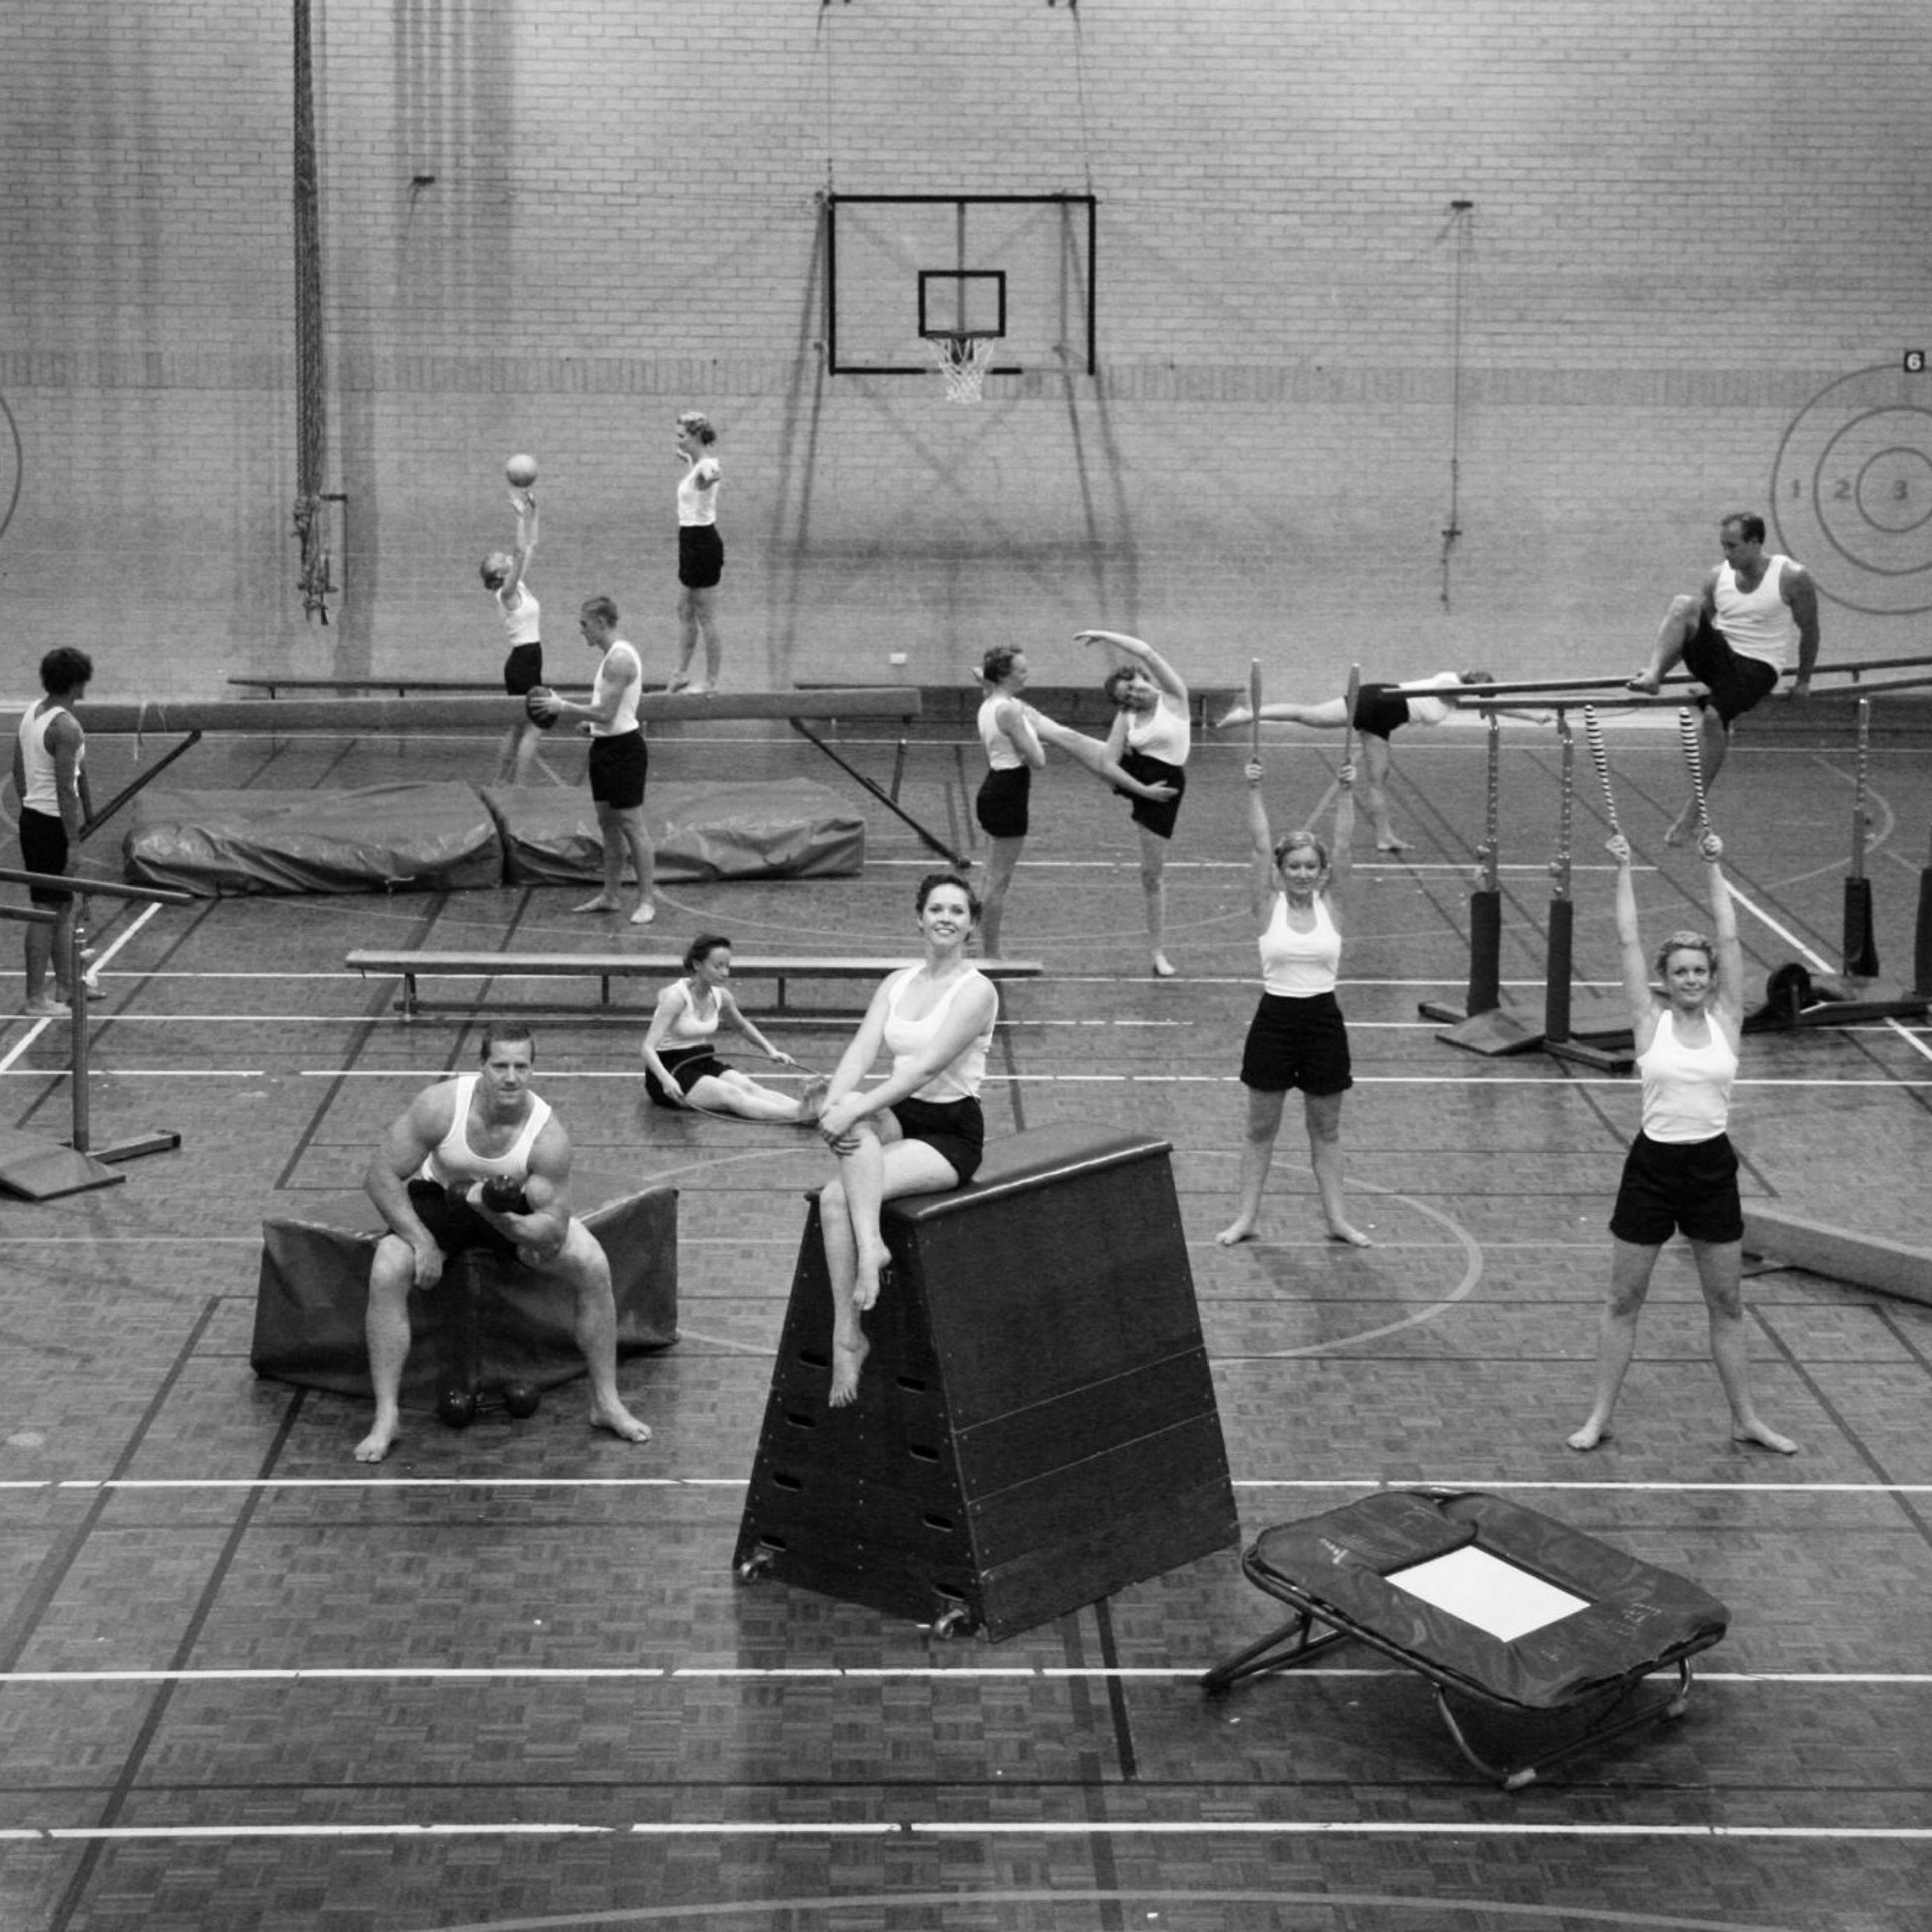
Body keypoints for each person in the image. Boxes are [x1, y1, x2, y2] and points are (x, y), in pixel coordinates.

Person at [1566, 831, 1797, 1455]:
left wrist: (1714, 867)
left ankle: (1746, 1419)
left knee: (1726, 1300)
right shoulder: (1650, 1023)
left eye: (1700, 971)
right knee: (1624, 1298)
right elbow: (1627, 941)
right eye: (1680, 971)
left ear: (1712, 979)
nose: (1692, 978)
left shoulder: (1729, 1022)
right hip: (1653, 1167)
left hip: (1712, 1168)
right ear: (1665, 981)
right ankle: (1600, 1416)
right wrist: (1623, 869)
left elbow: (1731, 936)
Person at [354, 1022, 654, 1463]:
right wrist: (422, 1242)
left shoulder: (547, 1137)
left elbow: (553, 1231)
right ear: (481, 1066)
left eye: (521, 1067)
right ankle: (387, 1417)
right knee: (386, 1269)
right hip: (443, 1200)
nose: (511, 1077)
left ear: (532, 1070)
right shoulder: (441, 1106)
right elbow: (380, 1176)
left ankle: (605, 1403)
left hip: (509, 1212)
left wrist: (498, 1216)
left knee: (593, 1265)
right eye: (500, 1066)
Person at [815, 872, 998, 1407]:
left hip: (950, 1130)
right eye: (937, 909)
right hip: (899, 1115)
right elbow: (861, 1051)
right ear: (919, 918)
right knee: (851, 1121)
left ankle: (852, 1321)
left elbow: (923, 1070)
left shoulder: (976, 991)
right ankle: (852, 1324)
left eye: (957, 912)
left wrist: (854, 1108)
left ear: (971, 925)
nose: (946, 919)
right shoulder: (897, 982)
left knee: (835, 1199)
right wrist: (833, 1104)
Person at [1215, 755, 1371, 1248]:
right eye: (1294, 867)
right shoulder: (1268, 906)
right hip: (1275, 1023)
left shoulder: (1333, 906)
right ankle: (1245, 1218)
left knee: (1326, 1129)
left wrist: (1348, 793)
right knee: (1260, 1128)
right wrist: (1254, 789)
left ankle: (1338, 1220)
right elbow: (1260, 846)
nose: (1303, 874)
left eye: (1311, 867)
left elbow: (1344, 845)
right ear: (1281, 872)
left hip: (1323, 1022)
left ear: (1322, 872)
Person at [1625, 511, 1820, 844]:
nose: (1727, 554)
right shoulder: (1718, 576)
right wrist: (1663, 670)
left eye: (1733, 546)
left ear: (1756, 543)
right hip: (1723, 659)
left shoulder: (1791, 577)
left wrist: (1804, 681)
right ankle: (1654, 674)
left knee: (1714, 720)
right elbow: (1690, 632)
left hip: (1758, 665)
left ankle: (1691, 816)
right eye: (1723, 546)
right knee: (1684, 605)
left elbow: (1810, 630)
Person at [973, 643, 1175, 958]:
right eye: (1022, 671)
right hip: (1008, 793)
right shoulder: (1009, 711)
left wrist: (989, 687)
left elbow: (1038, 726)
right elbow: (1039, 759)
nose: (1027, 675)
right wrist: (1028, 744)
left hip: (996, 788)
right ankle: (991, 956)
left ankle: (984, 945)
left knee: (992, 877)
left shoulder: (994, 704)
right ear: (1004, 675)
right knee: (998, 882)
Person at [1217, 668, 1493, 853]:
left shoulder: (1458, 698)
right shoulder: (1449, 683)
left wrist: (1521, 710)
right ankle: (1247, 715)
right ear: (1471, 686)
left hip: (1386, 720)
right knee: (1308, 715)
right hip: (1376, 702)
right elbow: (1452, 690)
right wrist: (1475, 693)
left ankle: (1384, 837)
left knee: (1379, 779)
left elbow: (1493, 707)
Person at [529, 596, 656, 924]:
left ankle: (647, 901)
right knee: (608, 824)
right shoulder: (610, 658)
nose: (581, 630)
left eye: (584, 624)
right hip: (605, 746)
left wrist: (563, 707)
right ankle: (611, 895)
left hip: (625, 751)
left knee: (633, 826)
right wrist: (594, 727)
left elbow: (607, 712)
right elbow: (613, 713)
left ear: (601, 622)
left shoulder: (620, 660)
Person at [1078, 627, 1192, 977]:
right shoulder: (1127, 715)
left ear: (1141, 677)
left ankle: (1158, 953)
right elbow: (1109, 764)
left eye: (1132, 686)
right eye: (1125, 696)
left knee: (1151, 875)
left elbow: (1146, 650)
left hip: (1166, 787)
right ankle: (1020, 713)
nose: (1133, 694)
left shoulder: (1174, 696)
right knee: (1071, 741)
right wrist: (1142, 791)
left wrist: (1103, 635)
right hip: (1140, 780)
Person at [642, 934, 829, 1123]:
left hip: (701, 1061)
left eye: (727, 966)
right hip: (669, 1070)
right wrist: (666, 1080)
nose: (725, 973)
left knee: (750, 1088)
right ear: (698, 965)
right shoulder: (676, 998)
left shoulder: (721, 996)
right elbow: (648, 1048)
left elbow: (742, 1026)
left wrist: (771, 1050)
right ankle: (799, 1115)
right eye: (718, 967)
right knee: (731, 1094)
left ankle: (811, 1110)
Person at [10, 646, 98, 1018]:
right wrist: (73, 843)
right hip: (51, 824)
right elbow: (66, 789)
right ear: (77, 684)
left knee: (63, 907)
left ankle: (66, 985)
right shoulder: (67, 727)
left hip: (34, 817)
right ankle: (34, 998)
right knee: (46, 910)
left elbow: (18, 770)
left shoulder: (33, 712)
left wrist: (30, 807)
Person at [482, 488, 547, 785]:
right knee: (534, 726)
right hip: (523, 662)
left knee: (519, 726)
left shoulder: (518, 585)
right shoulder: (507, 593)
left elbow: (531, 547)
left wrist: (535, 511)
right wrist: (519, 517)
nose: (506, 556)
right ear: (499, 575)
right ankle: (519, 787)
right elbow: (520, 553)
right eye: (501, 559)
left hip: (528, 660)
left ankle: (499, 783)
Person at [669, 411, 723, 693]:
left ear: (697, 437)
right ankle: (680, 674)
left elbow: (709, 474)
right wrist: (687, 458)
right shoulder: (696, 463)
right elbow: (697, 465)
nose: (677, 441)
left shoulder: (707, 467)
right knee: (684, 609)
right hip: (690, 541)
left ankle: (711, 682)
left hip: (702, 543)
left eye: (682, 436)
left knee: (706, 616)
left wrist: (712, 476)